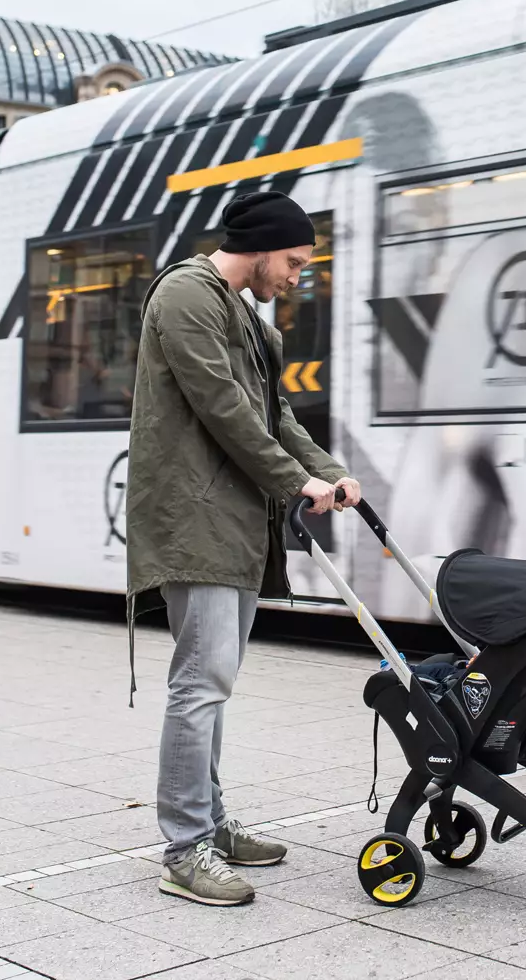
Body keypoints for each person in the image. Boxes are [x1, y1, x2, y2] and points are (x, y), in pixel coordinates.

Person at [125, 191, 362, 907]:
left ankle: (212, 823)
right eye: (292, 262)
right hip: (193, 520)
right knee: (200, 686)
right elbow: (222, 405)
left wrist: (327, 472)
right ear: (259, 248)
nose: (297, 277)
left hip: (232, 522)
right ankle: (185, 848)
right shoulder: (186, 297)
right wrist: (296, 484)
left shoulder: (246, 315)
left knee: (215, 684)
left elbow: (273, 412)